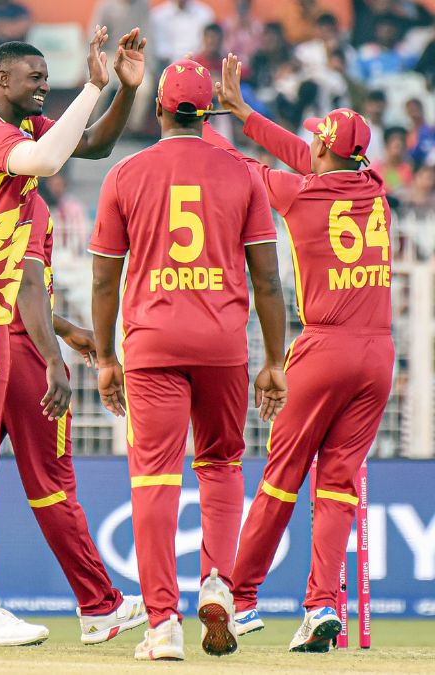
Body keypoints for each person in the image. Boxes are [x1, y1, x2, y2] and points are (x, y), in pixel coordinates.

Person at [0, 28, 153, 646]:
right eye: (34, 78)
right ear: (0, 81)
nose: (44, 85)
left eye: (48, 77)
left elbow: (88, 146)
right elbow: (48, 161)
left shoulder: (21, 138)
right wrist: (91, 84)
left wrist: (122, 89)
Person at [89, 58, 287, 661]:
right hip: (223, 344)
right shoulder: (243, 173)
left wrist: (104, 357)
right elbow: (269, 282)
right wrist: (275, 360)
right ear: (211, 112)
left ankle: (161, 625)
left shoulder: (126, 173)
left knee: (153, 477)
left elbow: (103, 280)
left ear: (158, 109)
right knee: (223, 463)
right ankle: (218, 582)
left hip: (150, 345)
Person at [210, 54, 394, 653]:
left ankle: (240, 598)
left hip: (324, 349)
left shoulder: (302, 197)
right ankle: (322, 606)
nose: (310, 147)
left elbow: (243, 167)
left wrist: (204, 123)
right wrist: (248, 113)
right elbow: (310, 157)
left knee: (282, 480)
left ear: (324, 153)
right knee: (337, 484)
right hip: (379, 356)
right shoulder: (375, 189)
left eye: (317, 142)